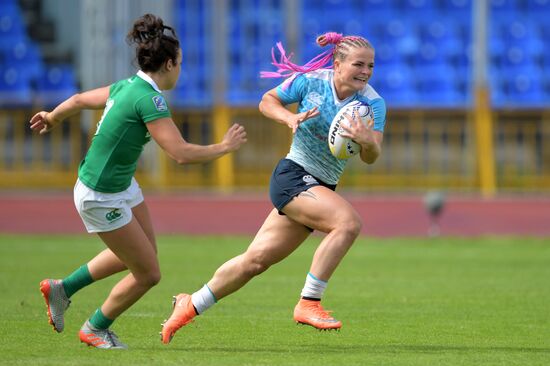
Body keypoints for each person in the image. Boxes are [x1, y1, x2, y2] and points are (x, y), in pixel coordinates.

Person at [31, 14, 247, 349]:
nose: (181, 70)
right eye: (181, 64)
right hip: (100, 194)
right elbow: (180, 153)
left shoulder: (125, 86)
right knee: (148, 273)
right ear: (170, 63)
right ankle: (95, 328)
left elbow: (76, 101)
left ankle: (63, 289)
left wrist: (52, 117)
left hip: (118, 186)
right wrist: (224, 147)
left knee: (142, 255)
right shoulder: (150, 98)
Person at [160, 31, 386, 344]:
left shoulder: (372, 104)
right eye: (358, 64)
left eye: (371, 66)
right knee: (347, 224)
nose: (365, 71)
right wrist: (288, 119)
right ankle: (309, 302)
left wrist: (365, 141)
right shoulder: (311, 81)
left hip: (320, 187)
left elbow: (373, 155)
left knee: (254, 261)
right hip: (293, 176)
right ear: (337, 63)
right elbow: (267, 101)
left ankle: (190, 303)